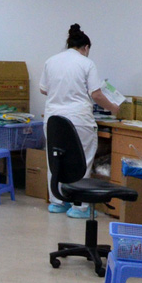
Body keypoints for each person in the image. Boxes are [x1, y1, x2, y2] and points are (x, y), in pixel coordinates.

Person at [40, 24, 120, 218]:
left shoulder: (51, 61)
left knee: (56, 160)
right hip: (78, 120)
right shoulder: (86, 63)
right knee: (81, 162)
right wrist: (114, 108)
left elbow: (43, 89)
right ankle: (79, 206)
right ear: (85, 47)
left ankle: (58, 202)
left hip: (53, 120)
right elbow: (96, 94)